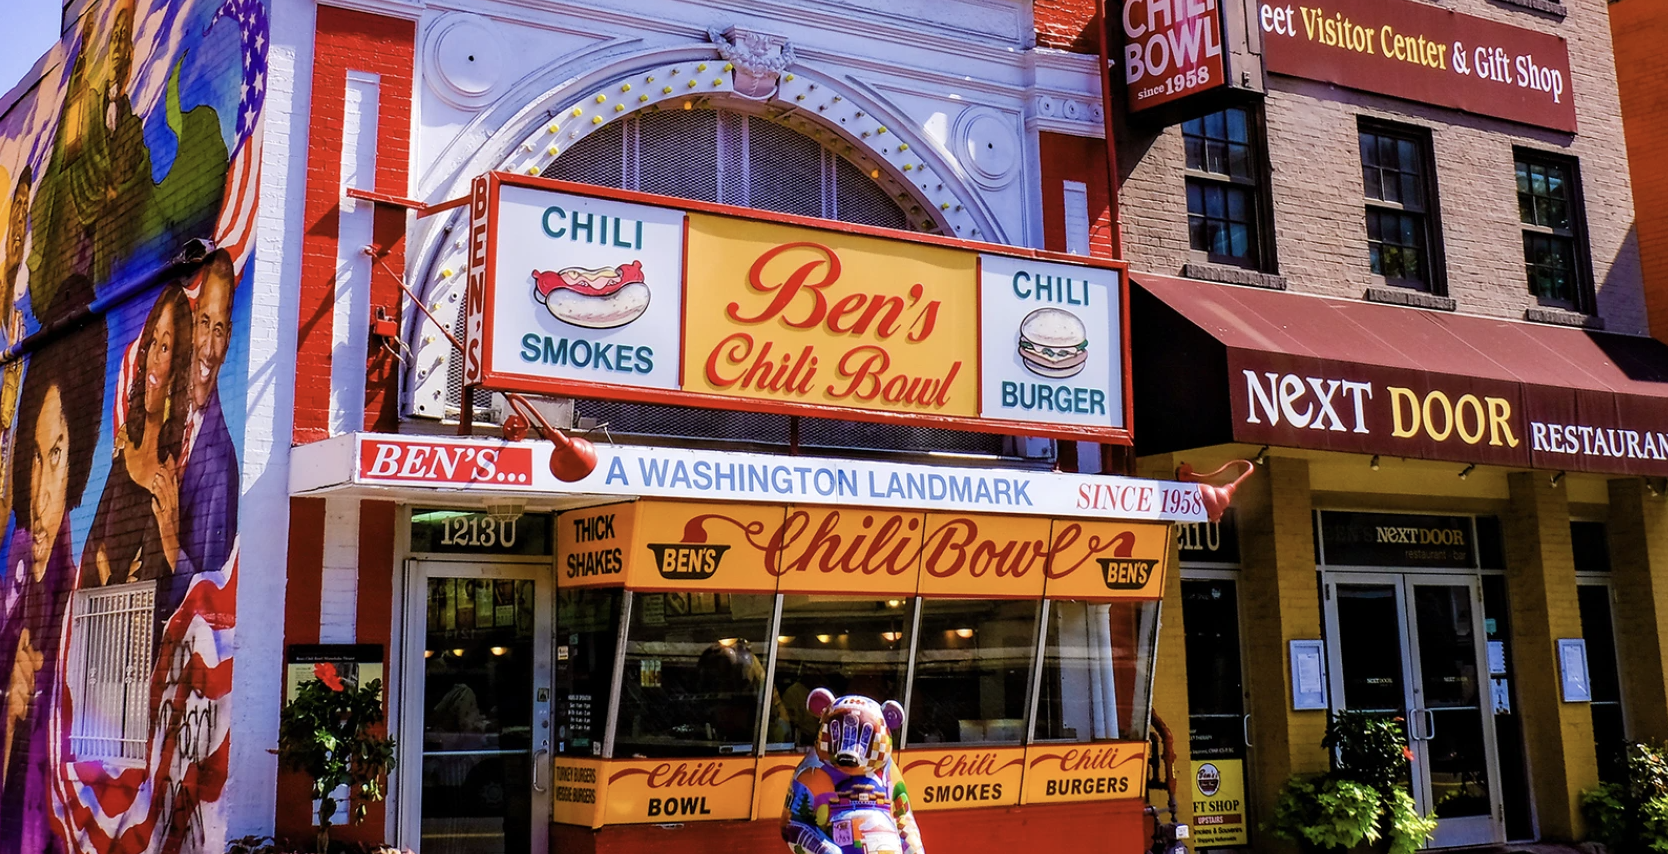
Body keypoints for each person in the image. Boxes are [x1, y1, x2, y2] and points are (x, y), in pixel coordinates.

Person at [0, 277, 106, 854]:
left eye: (58, 455)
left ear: (81, 455)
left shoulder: (81, 588)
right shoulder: (15, 559)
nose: (41, 493)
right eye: (36, 459)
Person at [83, 285, 194, 596]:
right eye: (152, 344)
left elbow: (177, 585)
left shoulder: (172, 473)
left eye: (166, 347)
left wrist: (169, 533)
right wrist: (107, 575)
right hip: (101, 631)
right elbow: (94, 547)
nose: (152, 364)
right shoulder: (123, 453)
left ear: (176, 370)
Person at [180, 251, 238, 575]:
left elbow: (207, 586)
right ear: (192, 325)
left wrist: (169, 544)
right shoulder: (160, 414)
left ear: (228, 340)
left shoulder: (222, 463)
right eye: (205, 323)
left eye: (218, 331)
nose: (208, 348)